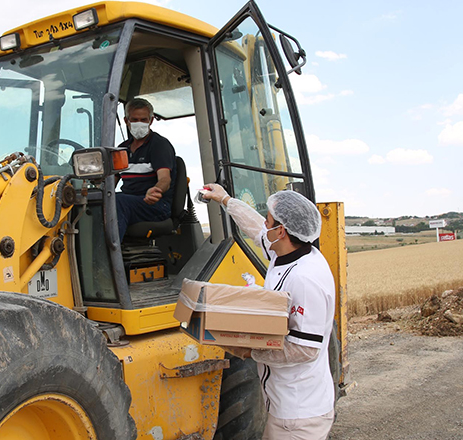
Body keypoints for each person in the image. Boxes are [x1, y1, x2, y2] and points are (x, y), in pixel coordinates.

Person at [202, 183, 336, 440]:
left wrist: (250, 350)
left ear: (282, 231)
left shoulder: (306, 279)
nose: (265, 225)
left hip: (299, 414)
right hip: (284, 407)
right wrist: (226, 199)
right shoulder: (285, 251)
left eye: (269, 221)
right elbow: (255, 229)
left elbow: (305, 349)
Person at [115, 98, 176, 241]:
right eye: (134, 120)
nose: (139, 124)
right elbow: (110, 183)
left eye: (143, 120)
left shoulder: (159, 145)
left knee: (118, 202)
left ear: (151, 120)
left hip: (155, 205)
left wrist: (156, 190)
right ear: (126, 121)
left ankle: (106, 257)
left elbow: (165, 179)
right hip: (129, 202)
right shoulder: (122, 149)